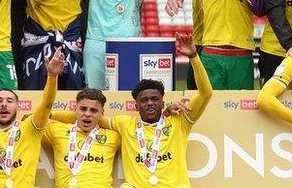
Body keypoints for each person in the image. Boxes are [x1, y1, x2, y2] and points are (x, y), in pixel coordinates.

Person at [52, 32, 212, 187]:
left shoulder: (179, 122)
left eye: (155, 99)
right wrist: (49, 114)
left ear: (162, 102)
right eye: (144, 100)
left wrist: (193, 56)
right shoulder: (125, 124)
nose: (150, 103)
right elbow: (88, 116)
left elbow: (206, 93)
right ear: (136, 106)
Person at [0, 46, 65, 188]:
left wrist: (52, 76)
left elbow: (47, 104)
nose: (4, 105)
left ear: (18, 107)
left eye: (10, 101)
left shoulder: (31, 128)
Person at [43, 88, 119, 187]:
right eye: (83, 109)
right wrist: (51, 115)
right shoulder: (56, 130)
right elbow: (32, 121)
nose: (87, 114)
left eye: (94, 110)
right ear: (75, 109)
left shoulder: (113, 136)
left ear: (102, 113)